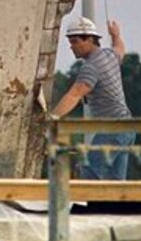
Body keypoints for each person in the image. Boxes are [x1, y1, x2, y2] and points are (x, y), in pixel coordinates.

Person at [51, 16, 135, 180]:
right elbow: (120, 49)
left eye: (75, 41)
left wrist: (52, 119)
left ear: (89, 39)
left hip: (113, 129)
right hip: (128, 128)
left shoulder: (91, 67)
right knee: (115, 184)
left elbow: (74, 94)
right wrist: (116, 35)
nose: (71, 46)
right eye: (70, 41)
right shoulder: (109, 55)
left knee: (89, 174)